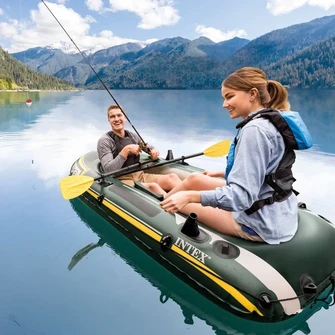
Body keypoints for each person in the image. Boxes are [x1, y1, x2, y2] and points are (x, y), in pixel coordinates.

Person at [160, 67, 312, 244]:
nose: (225, 104)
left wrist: (189, 196)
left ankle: (161, 201)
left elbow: (241, 198)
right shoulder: (271, 122)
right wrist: (221, 173)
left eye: (229, 96)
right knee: (194, 179)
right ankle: (165, 198)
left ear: (253, 94)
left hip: (259, 223)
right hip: (277, 214)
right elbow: (266, 171)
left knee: (184, 201)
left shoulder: (254, 131)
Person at [97, 104, 181, 194]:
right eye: (112, 117)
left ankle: (194, 197)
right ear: (109, 120)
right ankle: (177, 203)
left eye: (119, 115)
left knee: (172, 178)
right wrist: (126, 150)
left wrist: (154, 151)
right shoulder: (105, 141)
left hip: (139, 175)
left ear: (125, 118)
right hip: (121, 179)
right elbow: (108, 170)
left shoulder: (133, 136)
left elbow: (148, 147)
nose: (117, 119)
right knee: (153, 187)